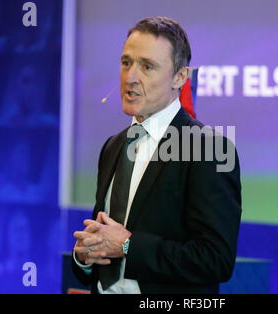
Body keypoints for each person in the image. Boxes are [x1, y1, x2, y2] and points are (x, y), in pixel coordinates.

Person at [72, 16, 242, 294]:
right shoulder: (113, 146)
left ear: (180, 77)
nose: (130, 77)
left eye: (147, 66)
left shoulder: (209, 148)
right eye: (126, 62)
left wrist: (127, 245)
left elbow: (215, 260)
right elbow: (104, 240)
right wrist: (85, 256)